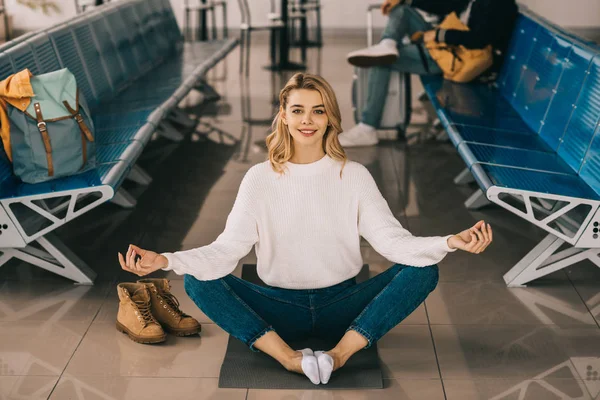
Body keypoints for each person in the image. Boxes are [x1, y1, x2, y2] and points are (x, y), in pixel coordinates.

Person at [118, 73, 493, 385]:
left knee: (424, 270)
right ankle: (287, 358)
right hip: (278, 308)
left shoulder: (354, 176)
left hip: (343, 307)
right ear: (283, 115)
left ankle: (340, 354)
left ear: (330, 117)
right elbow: (228, 248)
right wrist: (166, 259)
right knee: (199, 278)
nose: (307, 120)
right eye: (297, 110)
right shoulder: (259, 178)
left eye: (318, 111)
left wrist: (449, 241)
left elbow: (392, 241)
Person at [340, 0, 519, 147]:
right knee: (402, 10)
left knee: (382, 62)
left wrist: (439, 35)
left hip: (458, 61)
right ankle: (388, 43)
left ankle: (367, 127)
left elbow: (479, 40)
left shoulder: (500, 5)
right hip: (448, 49)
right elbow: (446, 6)